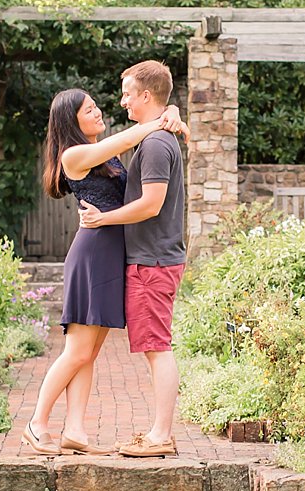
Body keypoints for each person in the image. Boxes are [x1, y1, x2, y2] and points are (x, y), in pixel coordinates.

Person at [24, 87, 185, 455]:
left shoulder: (106, 160)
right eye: (89, 110)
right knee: (77, 352)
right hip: (93, 254)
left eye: (97, 107)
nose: (99, 113)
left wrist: (170, 110)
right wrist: (166, 115)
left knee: (88, 353)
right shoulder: (75, 155)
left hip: (113, 254)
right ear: (72, 121)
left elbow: (137, 136)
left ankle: (76, 431)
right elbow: (132, 135)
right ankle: (36, 423)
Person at [78, 60, 186, 458]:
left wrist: (104, 218)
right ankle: (158, 431)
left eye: (127, 93)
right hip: (152, 259)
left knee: (158, 348)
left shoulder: (156, 144)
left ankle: (161, 436)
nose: (122, 101)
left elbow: (152, 204)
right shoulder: (156, 135)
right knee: (155, 347)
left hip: (153, 262)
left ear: (146, 95)